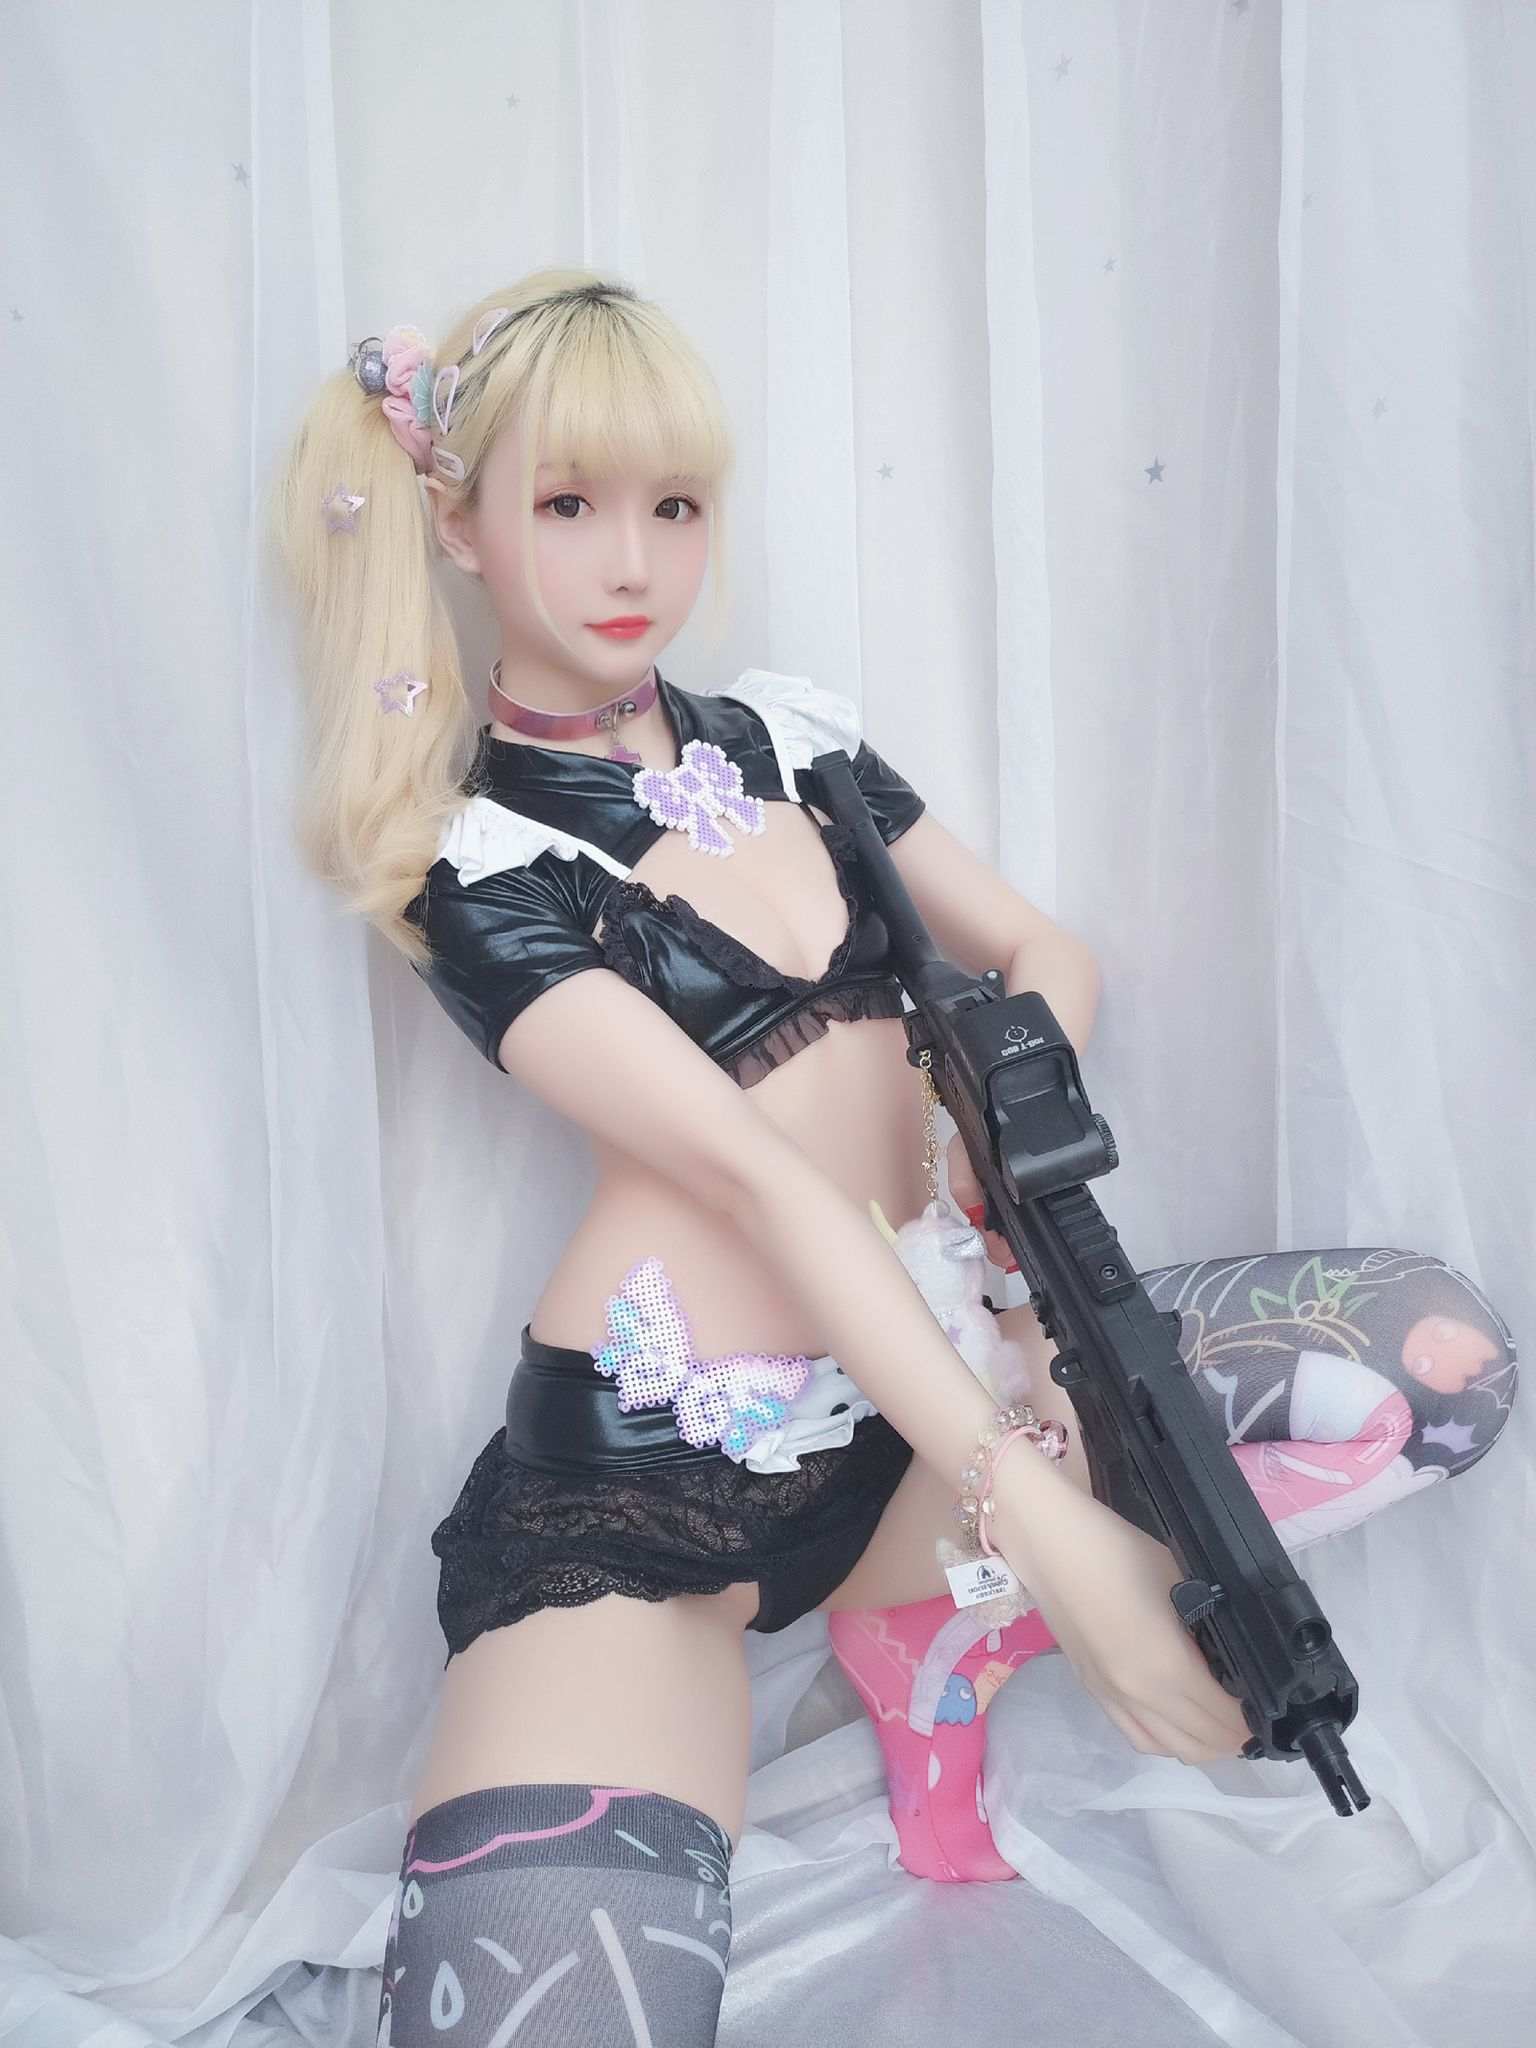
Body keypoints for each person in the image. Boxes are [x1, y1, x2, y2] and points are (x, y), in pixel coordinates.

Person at [267, 267, 1520, 2046]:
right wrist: (1060, 1542)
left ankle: (927, 1631)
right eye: (569, 505)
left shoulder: (797, 743)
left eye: (675, 507)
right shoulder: (473, 861)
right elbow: (761, 1181)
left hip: (951, 1398)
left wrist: (997, 1121)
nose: (634, 562)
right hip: (662, 1486)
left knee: (1439, 1361)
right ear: (459, 526)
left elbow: (1043, 951)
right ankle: (963, 1599)